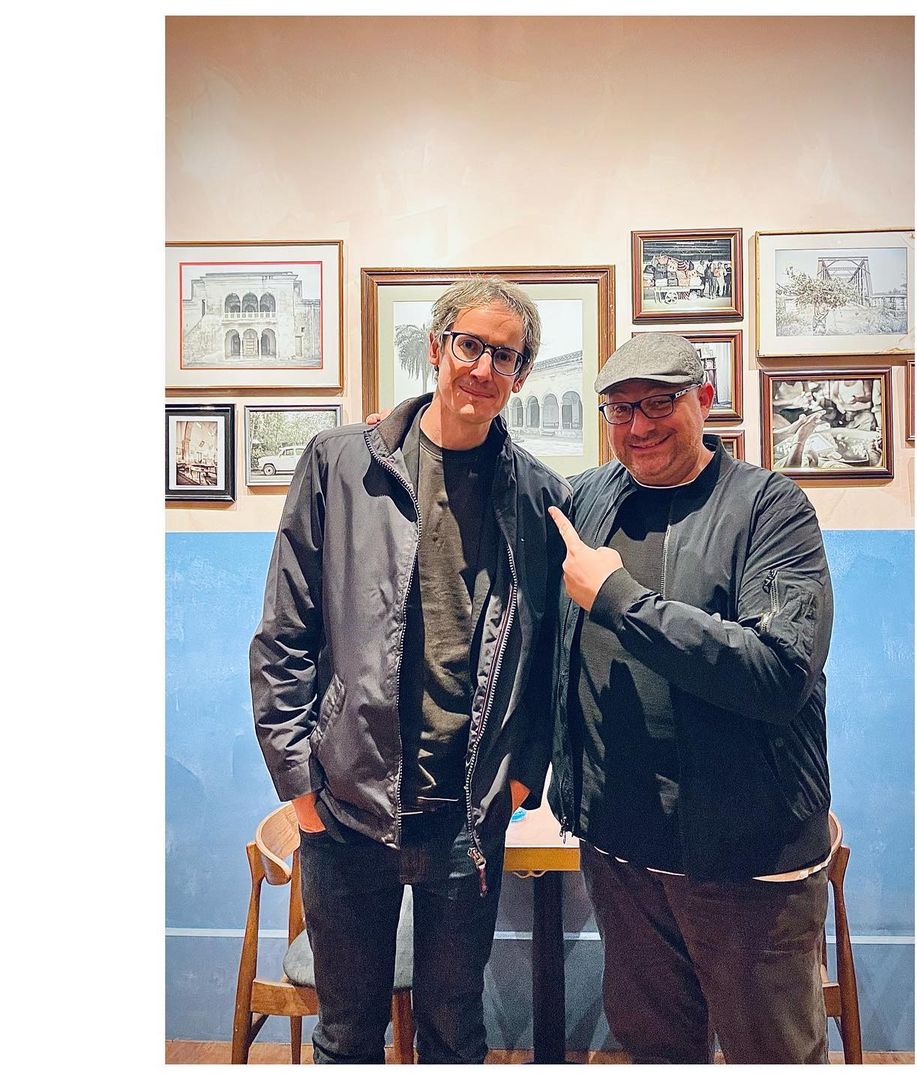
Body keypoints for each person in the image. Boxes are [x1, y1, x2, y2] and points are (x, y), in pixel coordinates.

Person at [250, 276, 571, 1065]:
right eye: (470, 345)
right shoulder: (339, 464)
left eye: (505, 355)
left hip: (467, 815)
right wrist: (300, 786)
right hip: (347, 808)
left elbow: (547, 663)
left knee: (455, 1033)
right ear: (436, 348)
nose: (483, 368)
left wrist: (521, 779)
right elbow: (285, 633)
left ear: (521, 374)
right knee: (347, 1034)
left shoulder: (538, 495)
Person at [545, 332, 834, 1065]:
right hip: (620, 850)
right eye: (620, 409)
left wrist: (620, 599)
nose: (638, 426)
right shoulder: (590, 499)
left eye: (659, 403)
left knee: (772, 1057)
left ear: (704, 399)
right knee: (655, 1052)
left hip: (746, 858)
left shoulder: (770, 507)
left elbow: (779, 672)